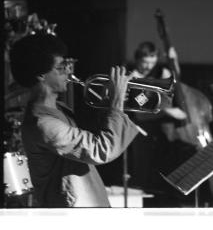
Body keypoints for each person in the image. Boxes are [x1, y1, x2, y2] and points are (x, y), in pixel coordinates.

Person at [9, 33, 140, 207]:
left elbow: (94, 137)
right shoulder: (43, 124)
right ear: (41, 75)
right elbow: (101, 150)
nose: (69, 71)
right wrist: (116, 104)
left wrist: (109, 104)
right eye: (61, 67)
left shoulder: (60, 108)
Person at [128, 41, 195, 207]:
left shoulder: (161, 72)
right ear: (137, 60)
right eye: (145, 63)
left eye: (152, 63)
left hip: (166, 134)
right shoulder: (131, 77)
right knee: (144, 176)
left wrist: (174, 61)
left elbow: (174, 80)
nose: (148, 67)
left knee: (167, 174)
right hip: (143, 133)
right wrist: (165, 112)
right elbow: (139, 115)